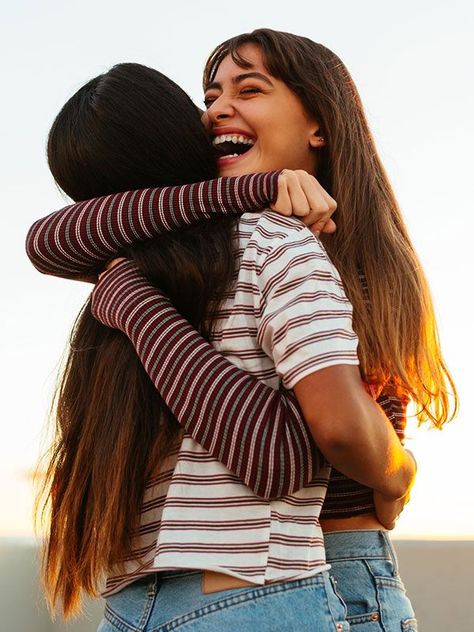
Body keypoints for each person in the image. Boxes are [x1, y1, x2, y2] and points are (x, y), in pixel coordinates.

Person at [26, 29, 455, 630]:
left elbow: (347, 434)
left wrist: (397, 469)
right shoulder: (203, 245)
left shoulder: (316, 254)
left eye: (249, 89)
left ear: (320, 124)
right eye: (210, 96)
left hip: (324, 565)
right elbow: (48, 239)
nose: (218, 108)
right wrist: (261, 187)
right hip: (252, 574)